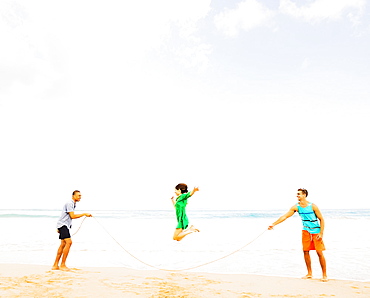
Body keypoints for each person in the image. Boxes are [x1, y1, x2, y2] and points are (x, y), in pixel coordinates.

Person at [268, 188, 328, 282]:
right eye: (297, 194)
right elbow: (285, 216)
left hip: (316, 231)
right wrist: (274, 224)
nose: (297, 196)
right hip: (305, 231)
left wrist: (321, 233)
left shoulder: (313, 206)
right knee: (305, 251)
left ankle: (324, 275)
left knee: (319, 252)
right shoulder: (296, 207)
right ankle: (309, 274)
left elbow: (322, 219)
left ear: (304, 195)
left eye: (299, 194)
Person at [52, 190, 92, 271]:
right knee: (69, 242)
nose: (80, 197)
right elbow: (72, 216)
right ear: (73, 196)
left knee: (63, 244)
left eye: (80, 196)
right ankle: (62, 265)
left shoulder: (73, 204)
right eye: (78, 195)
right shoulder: (70, 203)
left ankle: (55, 265)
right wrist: (84, 214)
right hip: (63, 225)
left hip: (63, 225)